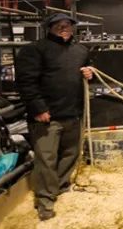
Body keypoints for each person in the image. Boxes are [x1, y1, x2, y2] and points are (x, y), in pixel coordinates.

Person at [15, 13, 93, 221]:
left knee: (71, 153)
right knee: (46, 159)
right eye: (58, 25)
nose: (64, 27)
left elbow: (88, 77)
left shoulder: (81, 51)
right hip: (47, 116)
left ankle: (60, 186)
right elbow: (26, 82)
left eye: (68, 24)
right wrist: (38, 108)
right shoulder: (34, 50)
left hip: (73, 113)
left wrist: (90, 74)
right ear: (48, 28)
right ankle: (46, 200)